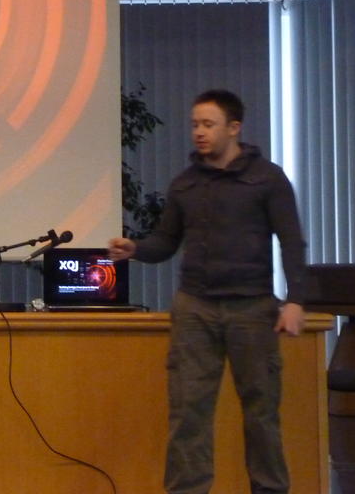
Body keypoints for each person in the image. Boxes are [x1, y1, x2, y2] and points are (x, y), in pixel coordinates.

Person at [109, 89, 306, 494]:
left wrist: (296, 301)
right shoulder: (185, 184)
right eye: (195, 124)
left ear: (234, 128)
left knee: (261, 412)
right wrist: (136, 248)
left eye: (208, 124)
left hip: (252, 307)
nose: (199, 132)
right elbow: (166, 242)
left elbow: (291, 242)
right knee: (188, 412)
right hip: (195, 308)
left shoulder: (267, 179)